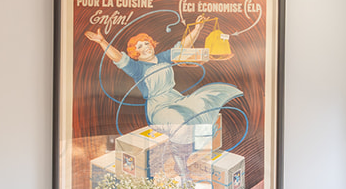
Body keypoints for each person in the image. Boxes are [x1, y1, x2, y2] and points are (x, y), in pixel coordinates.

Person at [86, 27, 241, 135]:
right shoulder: (137, 68)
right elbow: (118, 58)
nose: (146, 47)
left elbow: (183, 47)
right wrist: (102, 42)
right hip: (158, 107)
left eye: (147, 43)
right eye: (140, 46)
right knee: (177, 120)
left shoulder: (163, 57)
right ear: (135, 52)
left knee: (201, 101)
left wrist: (198, 29)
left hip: (175, 98)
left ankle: (203, 132)